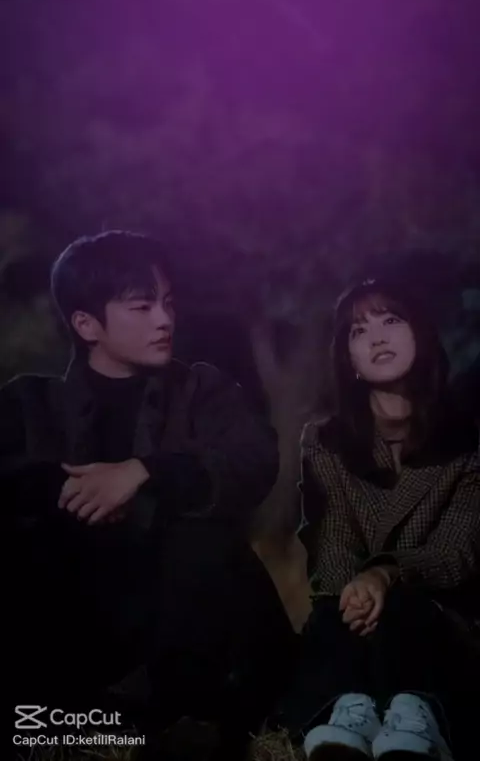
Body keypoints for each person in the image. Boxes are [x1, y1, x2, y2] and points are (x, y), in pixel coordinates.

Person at [4, 230, 291, 757]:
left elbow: (253, 459)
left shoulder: (201, 390)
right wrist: (70, 493)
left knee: (199, 536)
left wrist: (145, 472)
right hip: (81, 628)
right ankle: (67, 718)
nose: (164, 320)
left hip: (185, 629)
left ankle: (186, 714)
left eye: (168, 303)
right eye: (142, 306)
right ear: (86, 324)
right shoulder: (31, 404)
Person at [267, 276, 480, 761]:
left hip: (437, 614)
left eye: (391, 320)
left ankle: (418, 716)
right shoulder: (326, 441)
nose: (377, 337)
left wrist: (386, 573)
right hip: (352, 613)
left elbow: (459, 551)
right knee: (330, 617)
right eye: (359, 331)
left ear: (421, 333)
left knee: (409, 611)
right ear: (349, 359)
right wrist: (359, 592)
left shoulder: (467, 440)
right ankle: (350, 713)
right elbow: (330, 541)